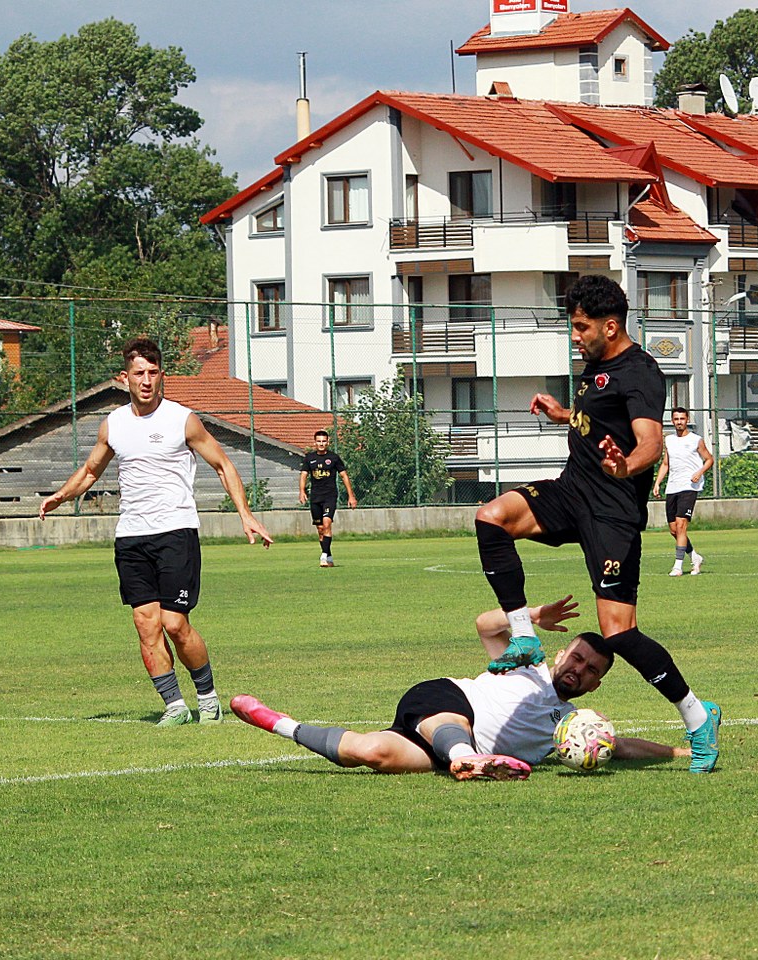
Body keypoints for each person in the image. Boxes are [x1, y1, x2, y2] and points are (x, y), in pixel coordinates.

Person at [472, 275, 721, 773]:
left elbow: (649, 442)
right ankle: (523, 635)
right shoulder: (594, 366)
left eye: (582, 327)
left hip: (613, 511)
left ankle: (697, 716)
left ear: (611, 326)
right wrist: (566, 413)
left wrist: (625, 466)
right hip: (572, 492)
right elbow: (598, 419)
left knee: (619, 632)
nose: (575, 335)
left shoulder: (640, 372)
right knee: (491, 518)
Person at [40, 337, 274, 727]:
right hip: (131, 537)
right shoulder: (112, 424)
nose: (146, 380)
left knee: (174, 624)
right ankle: (175, 707)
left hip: (176, 532)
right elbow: (91, 471)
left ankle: (208, 698)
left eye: (152, 373)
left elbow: (223, 465)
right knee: (145, 623)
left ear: (161, 375)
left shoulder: (182, 419)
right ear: (125, 378)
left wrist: (245, 514)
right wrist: (60, 496)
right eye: (138, 374)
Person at [230, 594, 693, 779]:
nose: (579, 670)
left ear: (595, 687)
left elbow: (621, 746)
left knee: (370, 753)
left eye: (591, 670)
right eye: (576, 658)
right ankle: (466, 759)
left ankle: (276, 721)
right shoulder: (524, 665)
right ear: (559, 654)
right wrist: (529, 619)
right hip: (444, 702)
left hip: (443, 751)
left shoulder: (572, 726)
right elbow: (485, 624)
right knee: (456, 726)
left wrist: (678, 753)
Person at [652, 407, 713, 577]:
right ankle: (695, 556)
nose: (679, 422)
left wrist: (699, 473)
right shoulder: (669, 440)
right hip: (673, 487)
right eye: (676, 419)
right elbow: (666, 463)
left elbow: (709, 459)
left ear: (687, 420)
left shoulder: (696, 440)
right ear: (672, 421)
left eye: (682, 419)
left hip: (689, 487)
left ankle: (678, 566)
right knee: (674, 530)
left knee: (681, 525)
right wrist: (657, 483)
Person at [298, 429, 357, 568]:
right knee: (320, 530)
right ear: (315, 442)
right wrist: (302, 491)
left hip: (330, 496)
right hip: (315, 497)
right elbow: (303, 475)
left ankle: (323, 556)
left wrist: (351, 495)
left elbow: (344, 476)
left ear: (328, 442)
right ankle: (328, 555)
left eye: (324, 441)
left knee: (326, 524)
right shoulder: (309, 458)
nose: (321, 444)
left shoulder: (334, 458)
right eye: (319, 441)